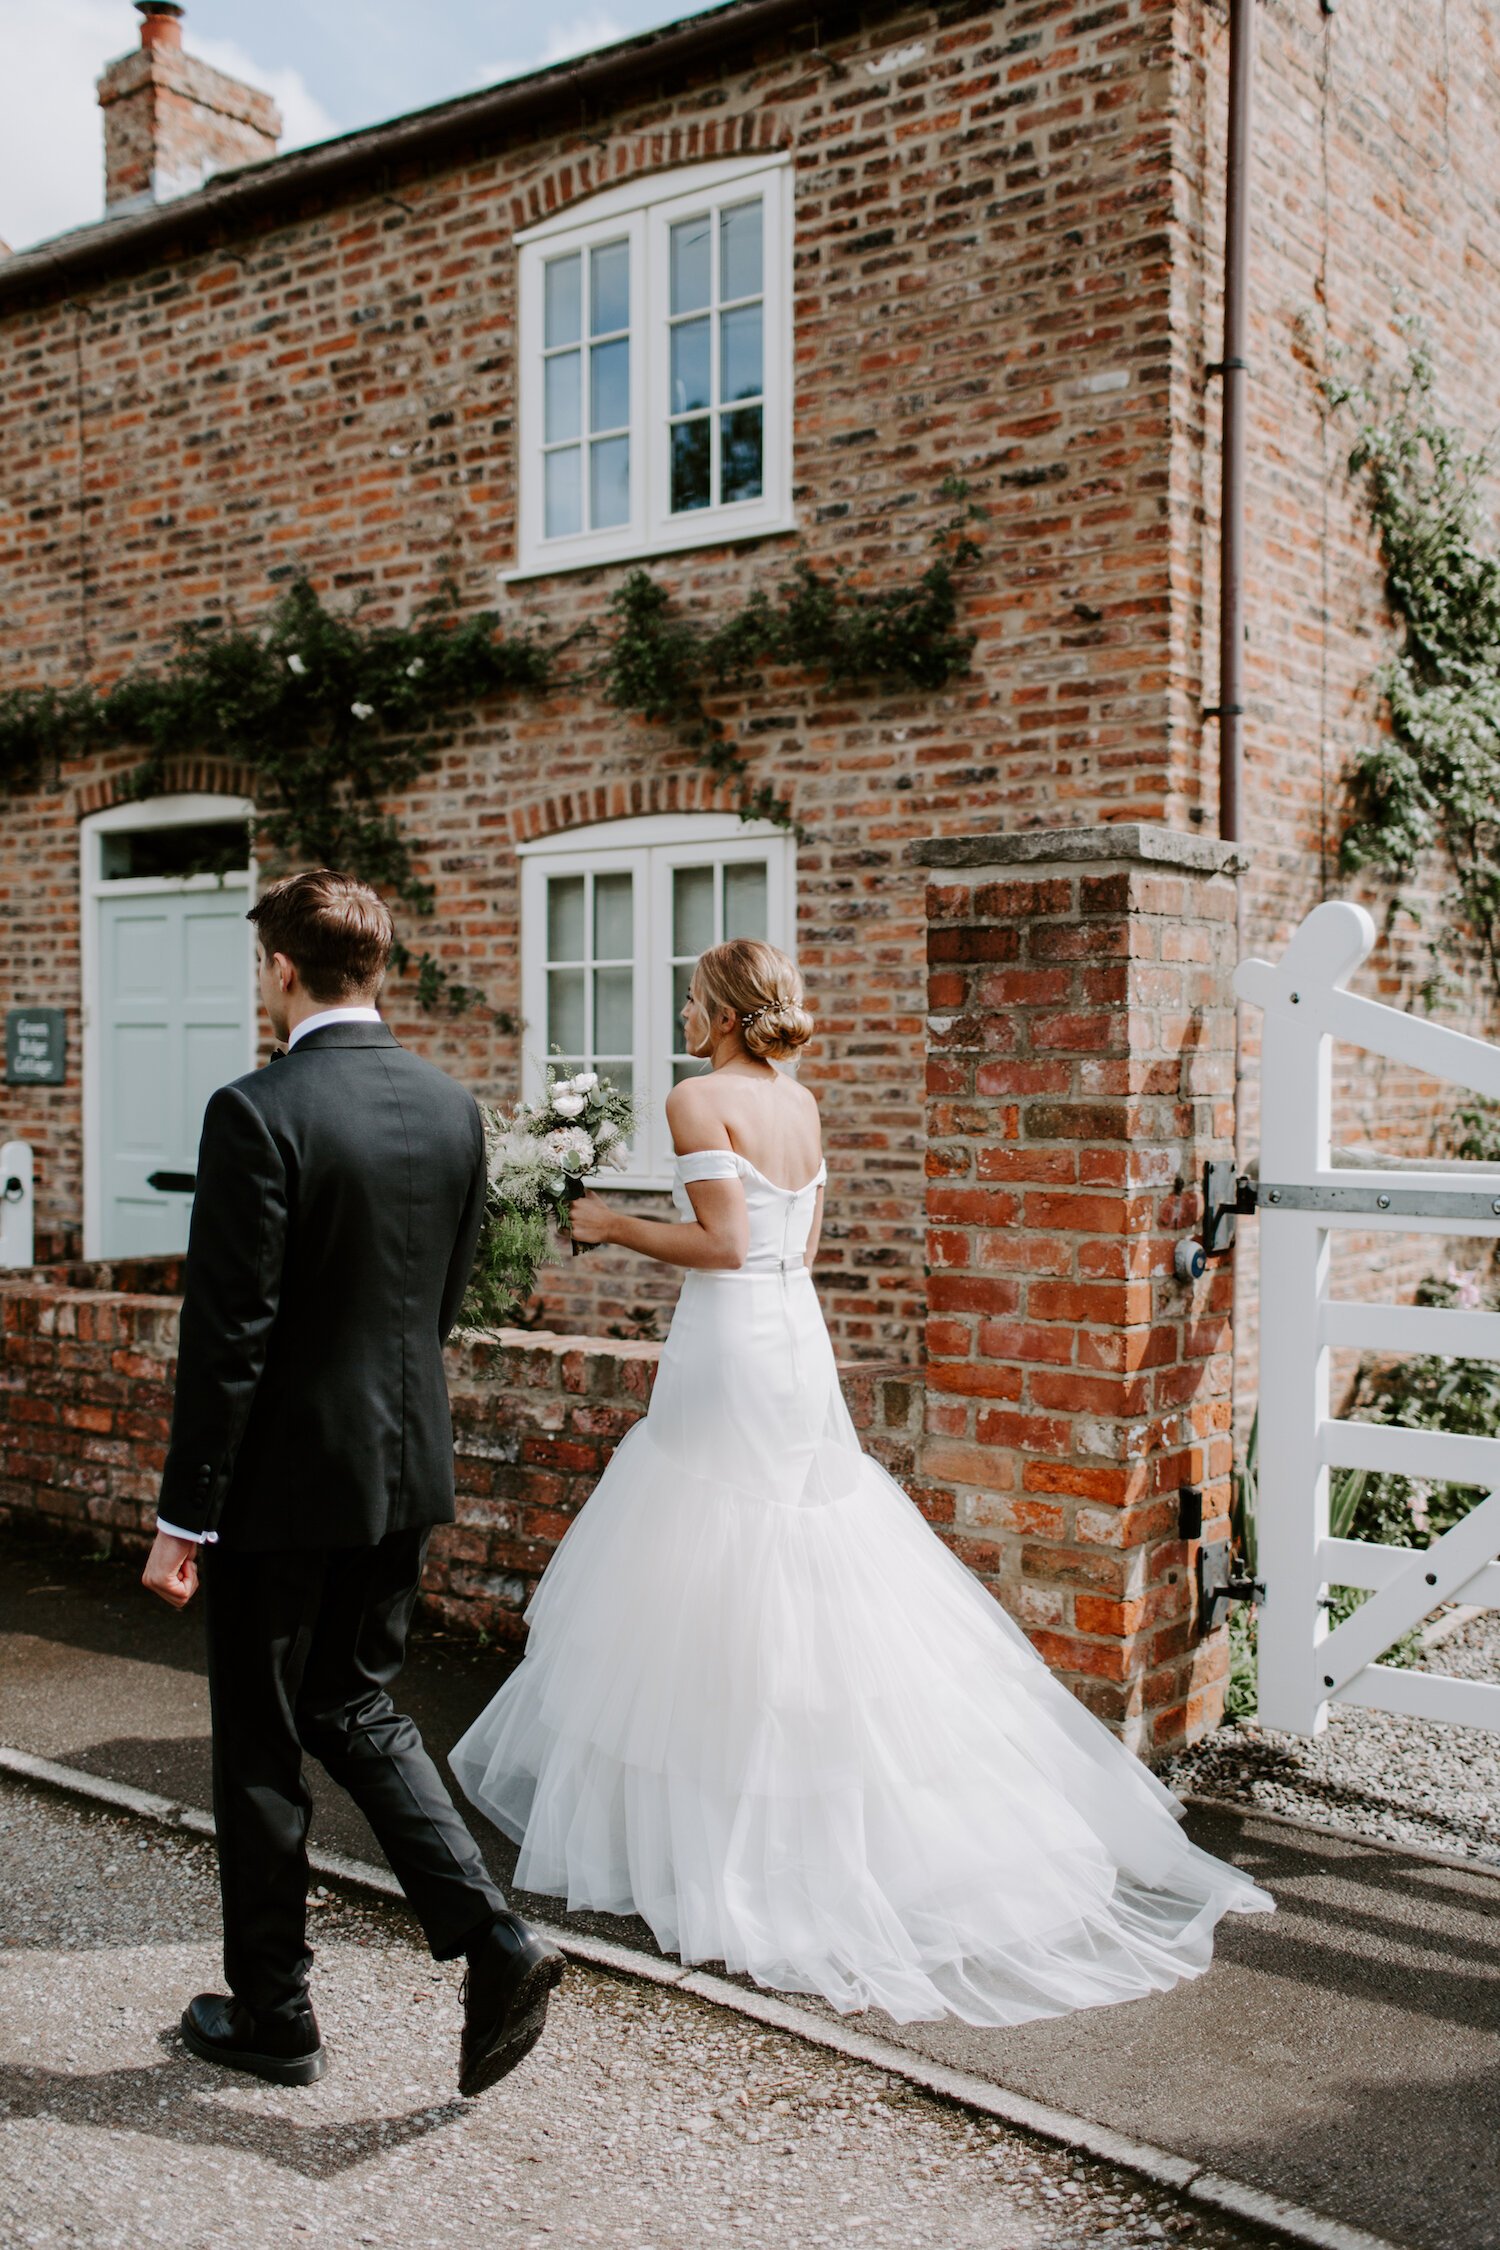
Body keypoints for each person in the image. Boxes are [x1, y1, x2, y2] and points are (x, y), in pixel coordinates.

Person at [451, 938, 1272, 2026]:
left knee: (714, 1556)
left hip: (733, 1345)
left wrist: (607, 1225)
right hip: (797, 1338)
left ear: (733, 1015)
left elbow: (723, 1244)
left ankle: (725, 1835)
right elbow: (798, 1248)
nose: (687, 1015)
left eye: (697, 1001)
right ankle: (779, 1811)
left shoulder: (699, 1100)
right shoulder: (799, 1101)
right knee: (794, 1549)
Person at [141, 868, 563, 2096]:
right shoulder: (451, 1109)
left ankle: (275, 2014)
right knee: (357, 1702)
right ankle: (495, 1938)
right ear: (374, 969)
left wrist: (183, 1516)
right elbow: (439, 1304)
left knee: (265, 1743)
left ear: (279, 968)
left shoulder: (255, 1109)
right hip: (402, 1467)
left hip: (279, 1488)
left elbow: (227, 1337)